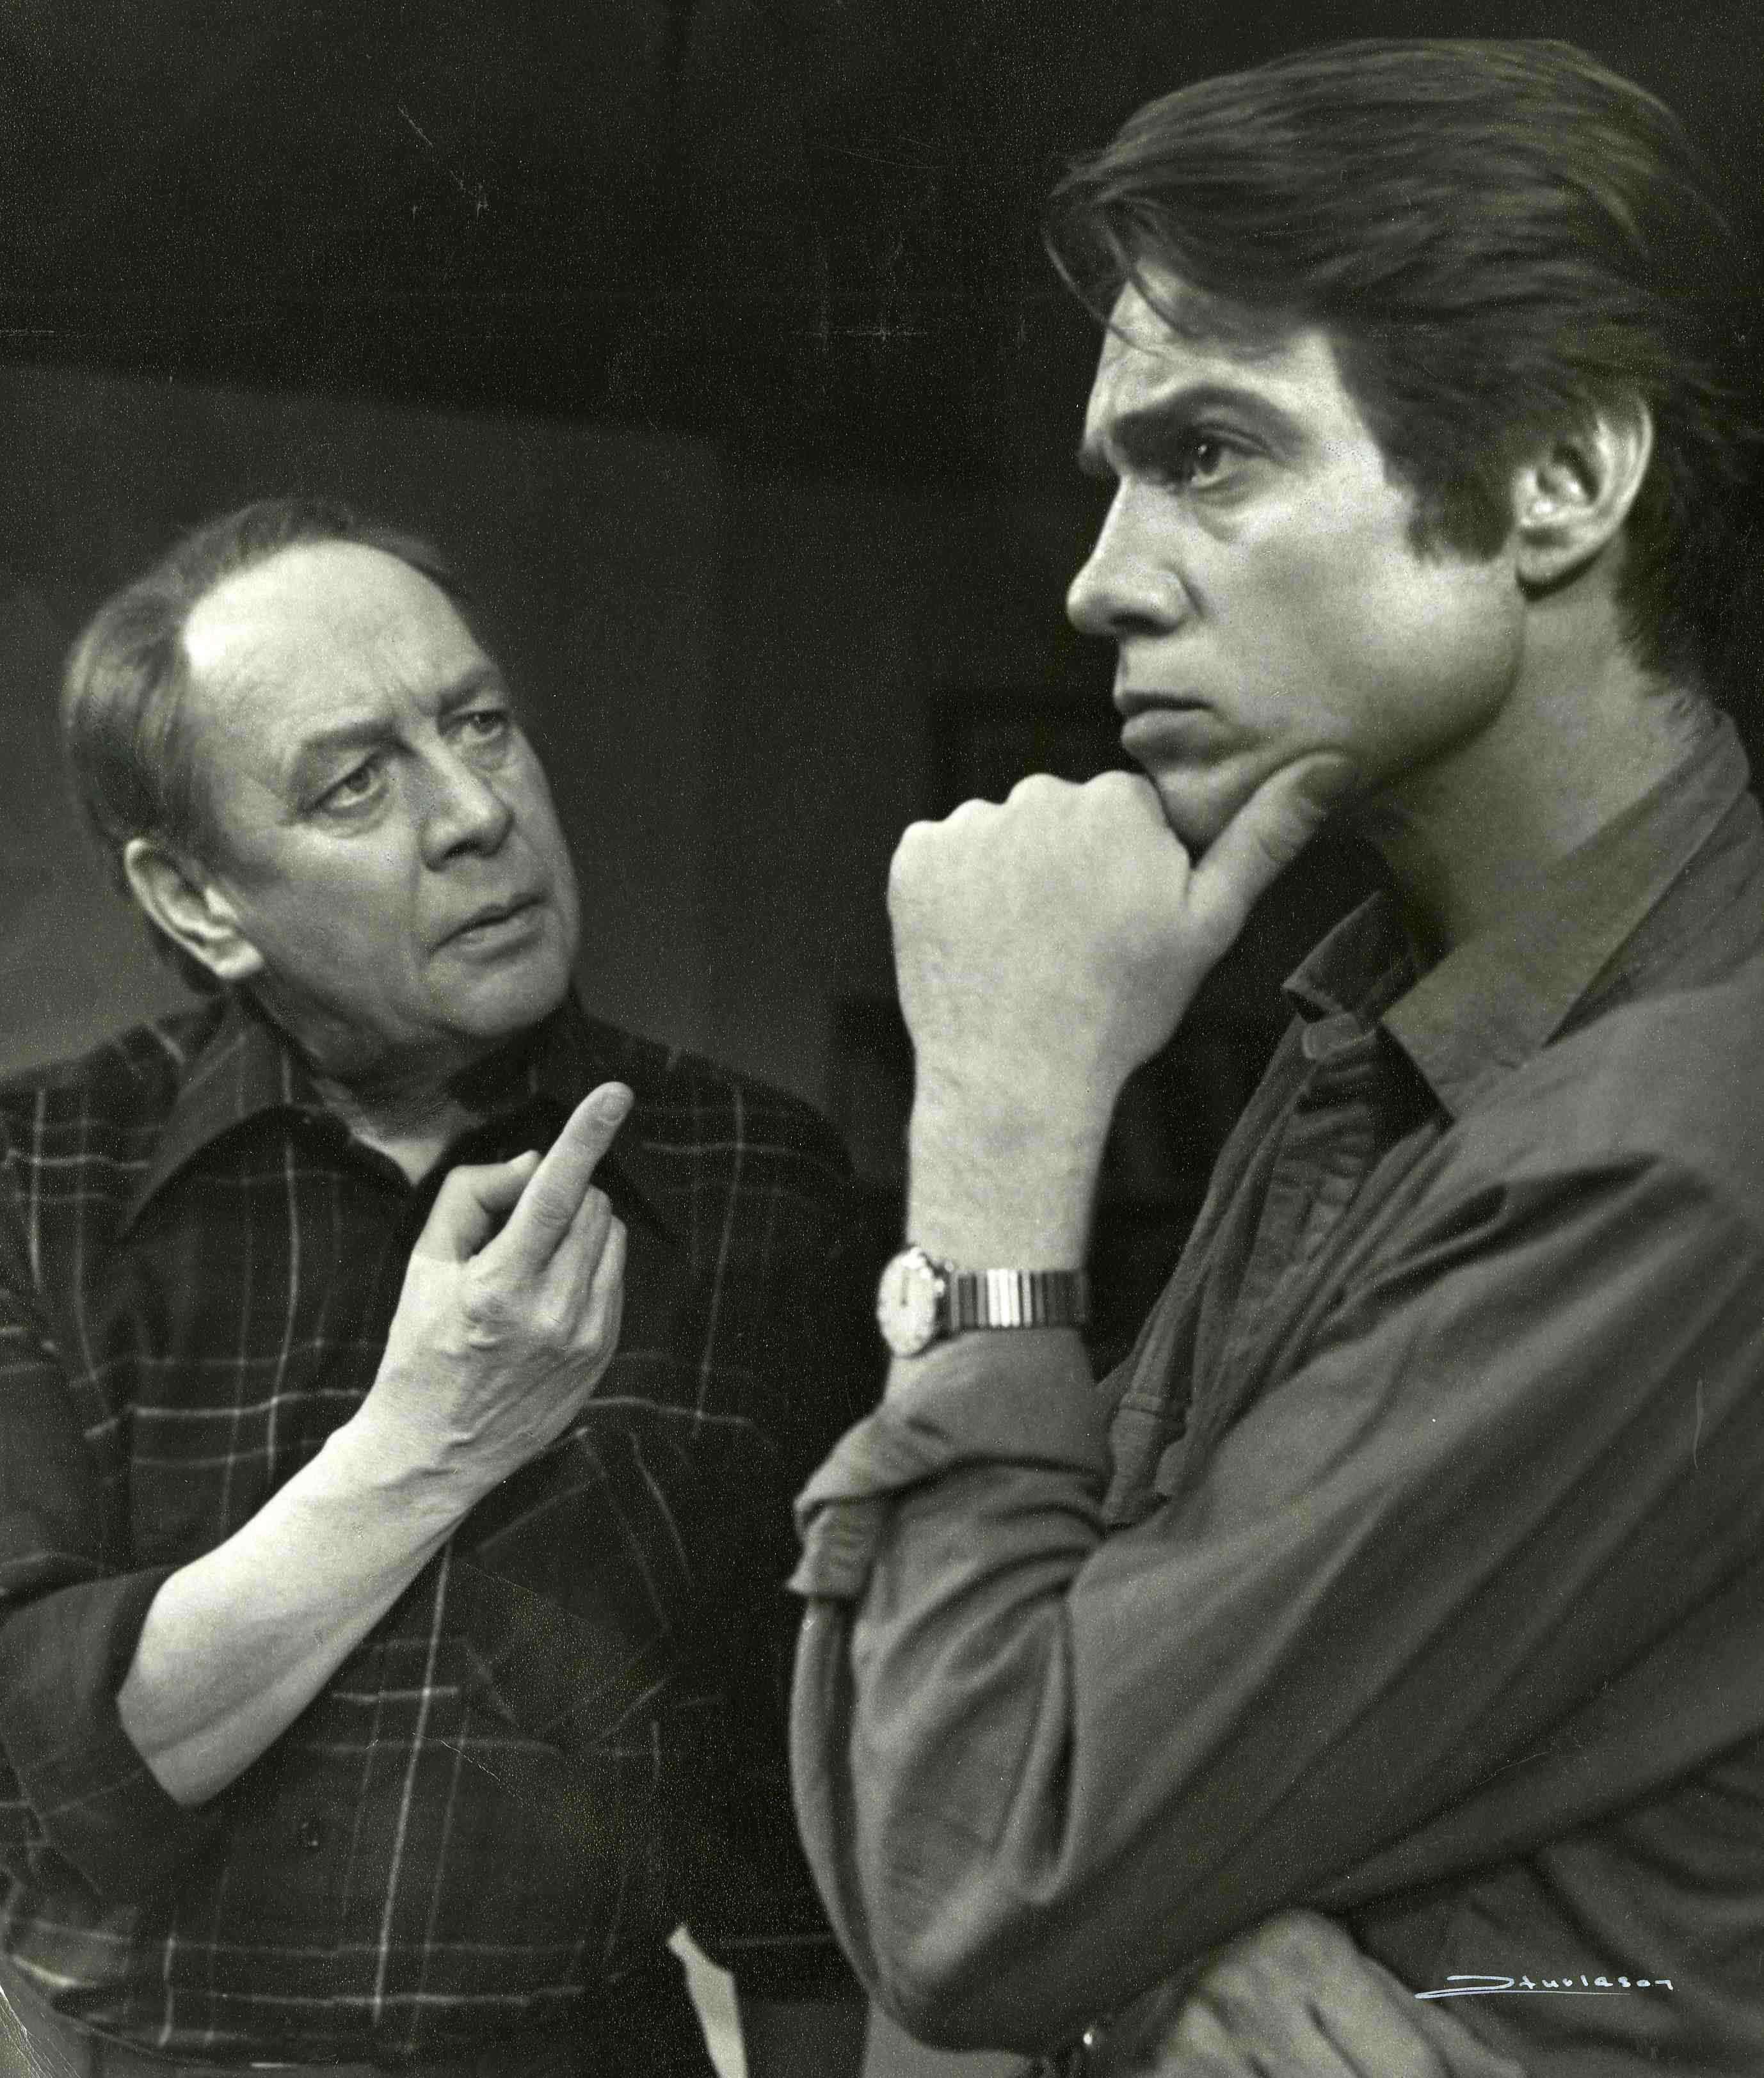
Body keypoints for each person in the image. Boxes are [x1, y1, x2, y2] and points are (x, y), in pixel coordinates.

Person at [789, 36, 1764, 2077]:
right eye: (1115, 474)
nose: (1097, 580)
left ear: (1562, 478)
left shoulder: (1678, 1141)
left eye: (1212, 454)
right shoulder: (1394, 1022)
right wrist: (1148, 1953)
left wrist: (997, 1127)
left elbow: (970, 1873)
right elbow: (971, 1804)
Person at [0, 498, 874, 2077]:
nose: (479, 811)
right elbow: (45, 1771)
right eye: (354, 782)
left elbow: (783, 1819)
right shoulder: (32, 1175)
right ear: (199, 901)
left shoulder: (753, 1176)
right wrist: (426, 1443)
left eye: (480, 723)